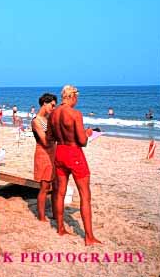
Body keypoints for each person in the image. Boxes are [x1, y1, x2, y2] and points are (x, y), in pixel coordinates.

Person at [47, 85, 101, 246]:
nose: (77, 101)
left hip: (60, 152)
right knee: (85, 195)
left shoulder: (53, 114)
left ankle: (60, 228)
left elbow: (50, 137)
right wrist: (88, 133)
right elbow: (83, 142)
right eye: (76, 98)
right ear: (72, 97)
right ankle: (89, 237)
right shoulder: (75, 114)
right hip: (73, 153)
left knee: (60, 192)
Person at [32, 93, 57, 221]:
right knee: (45, 187)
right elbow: (45, 141)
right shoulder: (36, 121)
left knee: (55, 186)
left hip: (53, 153)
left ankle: (54, 214)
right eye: (52, 105)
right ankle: (41, 217)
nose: (53, 108)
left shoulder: (48, 119)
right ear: (44, 103)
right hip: (43, 154)